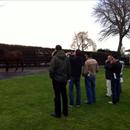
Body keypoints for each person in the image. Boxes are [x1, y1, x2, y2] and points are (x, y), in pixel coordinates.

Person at [49, 45, 71, 118]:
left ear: (56, 49)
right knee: (64, 95)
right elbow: (69, 69)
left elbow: (51, 70)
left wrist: (53, 77)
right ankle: (65, 112)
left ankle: (57, 113)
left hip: (57, 80)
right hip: (64, 79)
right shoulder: (67, 58)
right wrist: (67, 77)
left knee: (57, 96)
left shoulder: (54, 58)